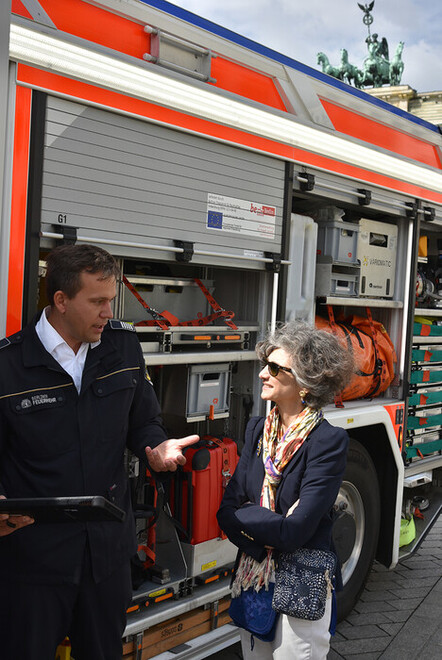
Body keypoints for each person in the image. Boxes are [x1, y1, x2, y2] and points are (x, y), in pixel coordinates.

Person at [0, 244, 198, 660]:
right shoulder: (9, 365)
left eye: (111, 300)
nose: (109, 312)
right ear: (60, 300)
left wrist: (155, 447)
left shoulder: (122, 348)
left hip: (105, 559)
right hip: (33, 562)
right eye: (97, 302)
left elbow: (144, 420)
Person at [217, 320, 354, 660]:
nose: (263, 373)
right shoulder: (257, 429)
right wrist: (266, 526)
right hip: (255, 579)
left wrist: (248, 516)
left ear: (306, 382)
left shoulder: (327, 441)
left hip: (302, 583)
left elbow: (296, 531)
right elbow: (225, 512)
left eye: (275, 368)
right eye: (265, 364)